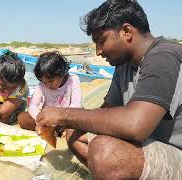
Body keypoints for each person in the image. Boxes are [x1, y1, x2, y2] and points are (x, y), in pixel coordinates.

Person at [35, 0, 182, 179]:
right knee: (74, 132)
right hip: (147, 146)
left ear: (127, 32)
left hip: (176, 154)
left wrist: (63, 114)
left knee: (106, 152)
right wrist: (65, 123)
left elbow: (136, 126)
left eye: (101, 41)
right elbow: (106, 112)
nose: (98, 51)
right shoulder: (123, 65)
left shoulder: (164, 57)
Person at [18, 51, 82, 133]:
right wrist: (40, 119)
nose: (48, 85)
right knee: (22, 118)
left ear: (61, 73)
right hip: (46, 119)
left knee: (79, 120)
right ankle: (50, 130)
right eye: (44, 82)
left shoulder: (73, 80)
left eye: (51, 81)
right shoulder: (42, 85)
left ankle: (53, 130)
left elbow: (76, 105)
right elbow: (33, 105)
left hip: (66, 118)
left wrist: (59, 118)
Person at [0, 50, 29, 133]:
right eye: (3, 85)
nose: (7, 90)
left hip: (12, 115)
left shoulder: (21, 86)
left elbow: (3, 112)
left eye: (12, 87)